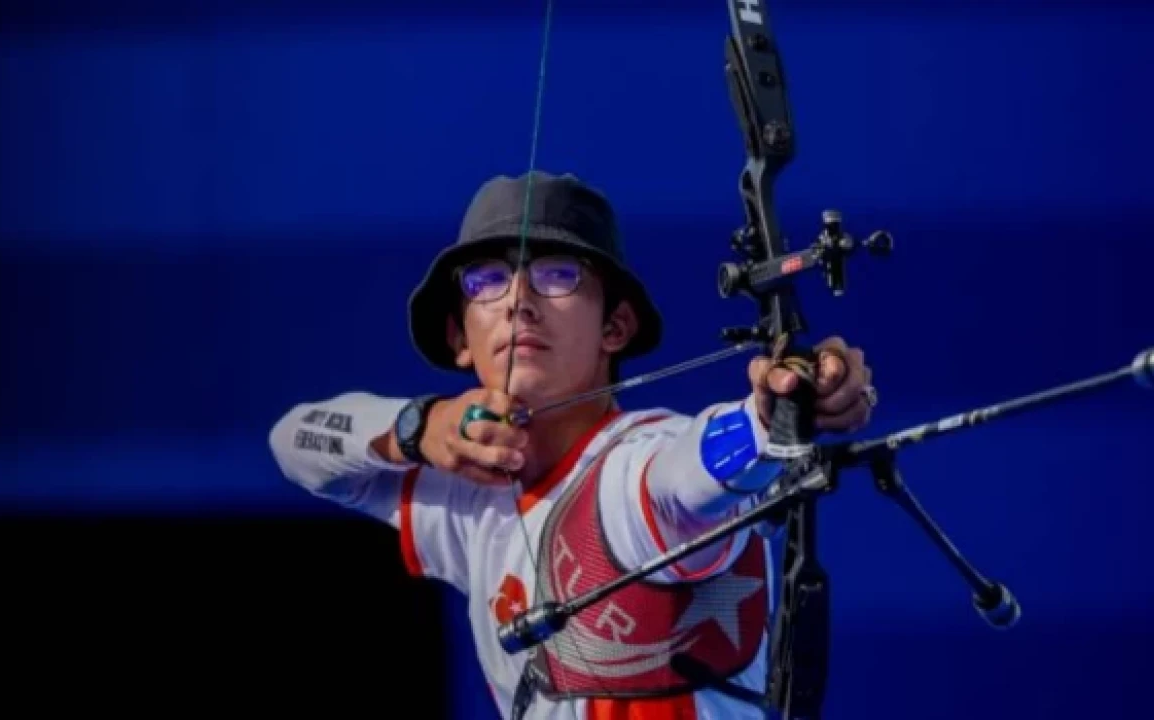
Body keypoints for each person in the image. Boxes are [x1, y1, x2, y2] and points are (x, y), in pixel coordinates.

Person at [269, 171, 878, 719]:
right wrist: (419, 426)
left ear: (615, 327)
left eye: (556, 274)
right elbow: (294, 442)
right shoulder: (467, 499)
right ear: (460, 338)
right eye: (487, 280)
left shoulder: (638, 461)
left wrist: (770, 415)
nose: (518, 301)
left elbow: (684, 476)